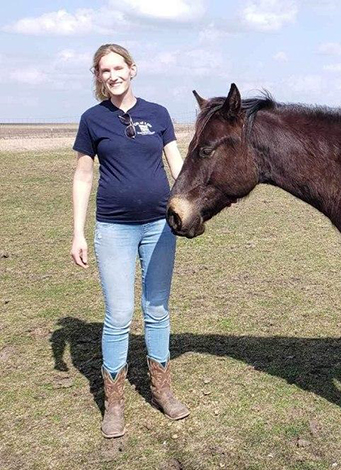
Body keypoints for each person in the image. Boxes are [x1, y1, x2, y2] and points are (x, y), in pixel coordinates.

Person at [70, 44, 188, 438]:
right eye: (105, 70)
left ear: (132, 70)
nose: (113, 75)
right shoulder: (92, 120)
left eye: (118, 67)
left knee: (156, 309)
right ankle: (115, 402)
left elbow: (177, 164)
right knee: (118, 316)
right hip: (114, 228)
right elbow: (84, 176)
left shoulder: (158, 114)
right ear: (99, 77)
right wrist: (77, 232)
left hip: (159, 226)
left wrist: (190, 206)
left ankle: (161, 389)